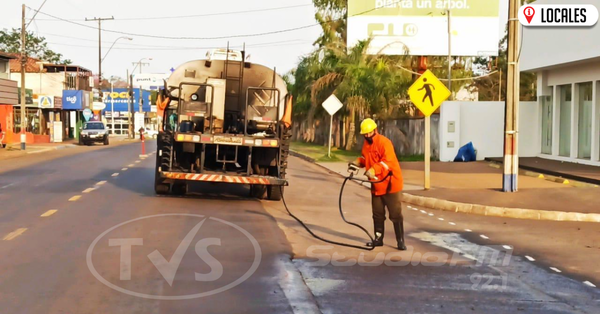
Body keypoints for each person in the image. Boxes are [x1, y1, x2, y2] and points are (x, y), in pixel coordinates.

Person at [349, 118, 406, 250]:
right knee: (377, 213)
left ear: (375, 130)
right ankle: (378, 239)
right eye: (365, 134)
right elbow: (366, 158)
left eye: (369, 133)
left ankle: (400, 241)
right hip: (376, 184)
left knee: (395, 214)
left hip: (390, 184)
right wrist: (357, 163)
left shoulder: (384, 143)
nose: (368, 136)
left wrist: (374, 169)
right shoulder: (366, 144)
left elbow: (388, 162)